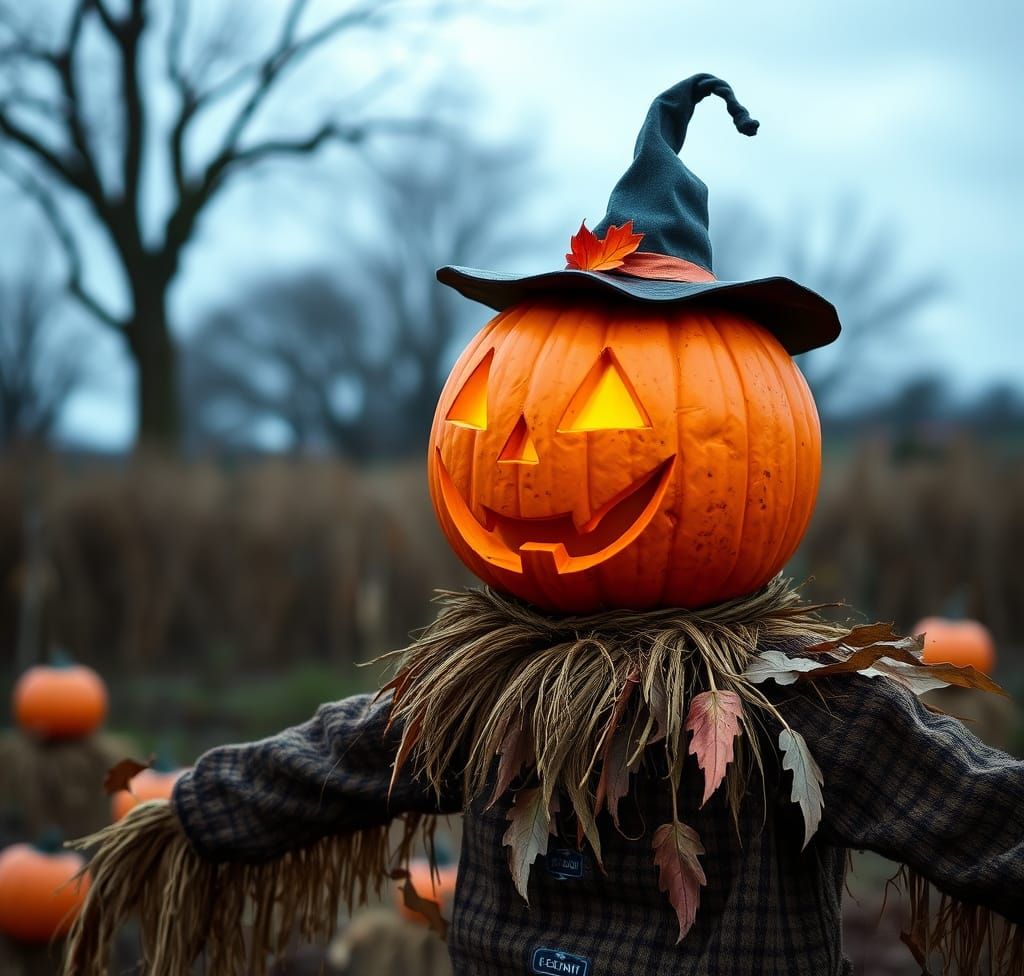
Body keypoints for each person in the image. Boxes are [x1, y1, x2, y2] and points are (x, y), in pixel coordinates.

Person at [64, 77, 1023, 976]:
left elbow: (977, 814)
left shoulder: (795, 707)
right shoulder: (485, 691)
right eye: (487, 407)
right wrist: (194, 810)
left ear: (759, 448)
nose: (522, 452)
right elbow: (342, 760)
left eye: (602, 411)